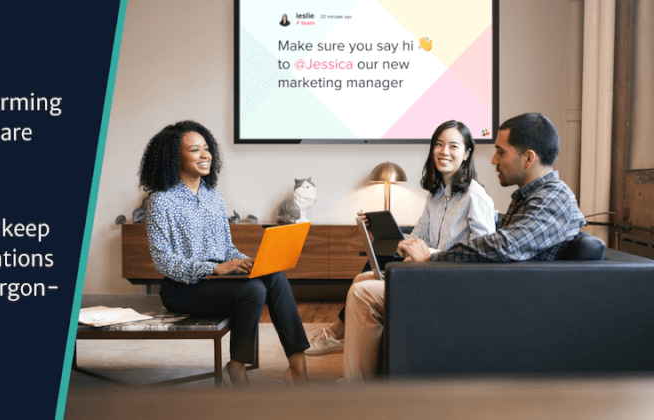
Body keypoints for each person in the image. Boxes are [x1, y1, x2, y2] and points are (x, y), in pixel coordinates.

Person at [343, 113, 587, 381]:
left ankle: (357, 393)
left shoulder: (552, 199)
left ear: (528, 158)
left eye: (500, 152)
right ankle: (358, 373)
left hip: (491, 298)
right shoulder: (531, 197)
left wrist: (433, 259)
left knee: (364, 293)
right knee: (366, 279)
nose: (493, 159)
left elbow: (503, 247)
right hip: (488, 287)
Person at [140, 120, 310, 387]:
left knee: (274, 275)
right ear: (175, 157)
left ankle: (299, 368)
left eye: (206, 148)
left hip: (218, 281)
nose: (205, 155)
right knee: (253, 290)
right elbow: (164, 261)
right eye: (195, 150)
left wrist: (244, 262)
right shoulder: (161, 201)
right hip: (183, 288)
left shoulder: (213, 197)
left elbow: (225, 248)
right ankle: (238, 367)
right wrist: (212, 268)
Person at [306, 120, 496, 356]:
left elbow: (484, 255)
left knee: (362, 285)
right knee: (362, 276)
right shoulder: (434, 197)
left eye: (453, 146)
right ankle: (346, 341)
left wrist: (428, 253)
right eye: (438, 144)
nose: (444, 151)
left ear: (467, 154)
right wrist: (392, 235)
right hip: (425, 272)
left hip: (449, 281)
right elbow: (419, 236)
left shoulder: (476, 198)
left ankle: (337, 336)